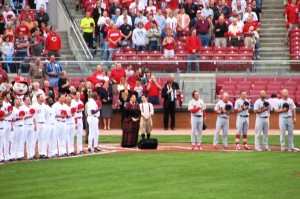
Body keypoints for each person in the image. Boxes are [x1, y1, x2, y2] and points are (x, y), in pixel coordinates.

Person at [20, 95, 36, 160]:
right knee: (23, 140)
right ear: (24, 101)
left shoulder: (31, 107)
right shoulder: (22, 108)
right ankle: (21, 155)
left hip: (31, 124)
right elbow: (21, 117)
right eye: (27, 99)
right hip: (25, 124)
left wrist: (35, 124)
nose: (29, 100)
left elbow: (34, 117)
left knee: (31, 140)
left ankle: (31, 155)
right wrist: (29, 116)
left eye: (29, 99)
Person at [31, 94, 47, 158]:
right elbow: (33, 116)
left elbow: (44, 114)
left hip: (43, 123)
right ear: (38, 98)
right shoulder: (34, 106)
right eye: (41, 97)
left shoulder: (44, 105)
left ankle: (42, 153)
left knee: (42, 139)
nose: (43, 98)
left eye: (43, 97)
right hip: (37, 123)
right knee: (34, 139)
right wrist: (34, 124)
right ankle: (32, 154)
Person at [1, 91, 12, 161]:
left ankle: (7, 156)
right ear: (5, 96)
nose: (9, 96)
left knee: (7, 140)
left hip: (9, 122)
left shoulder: (9, 104)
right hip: (4, 122)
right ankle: (1, 156)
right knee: (3, 140)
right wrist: (9, 113)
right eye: (8, 95)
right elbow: (1, 115)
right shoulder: (2, 104)